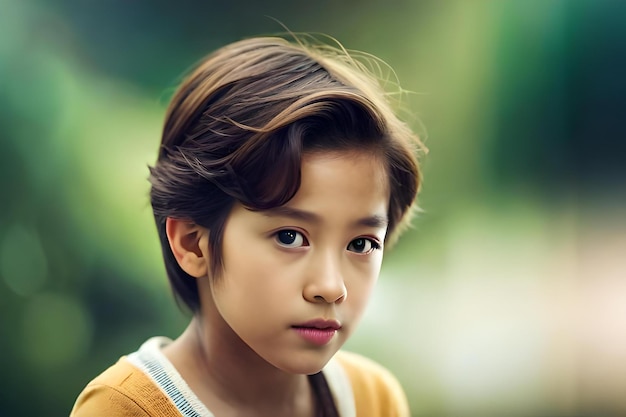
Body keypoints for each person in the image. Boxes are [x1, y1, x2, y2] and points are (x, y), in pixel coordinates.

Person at [71, 33, 426, 417]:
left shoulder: (373, 401)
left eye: (360, 244)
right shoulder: (123, 408)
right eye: (291, 237)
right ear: (193, 243)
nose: (330, 288)